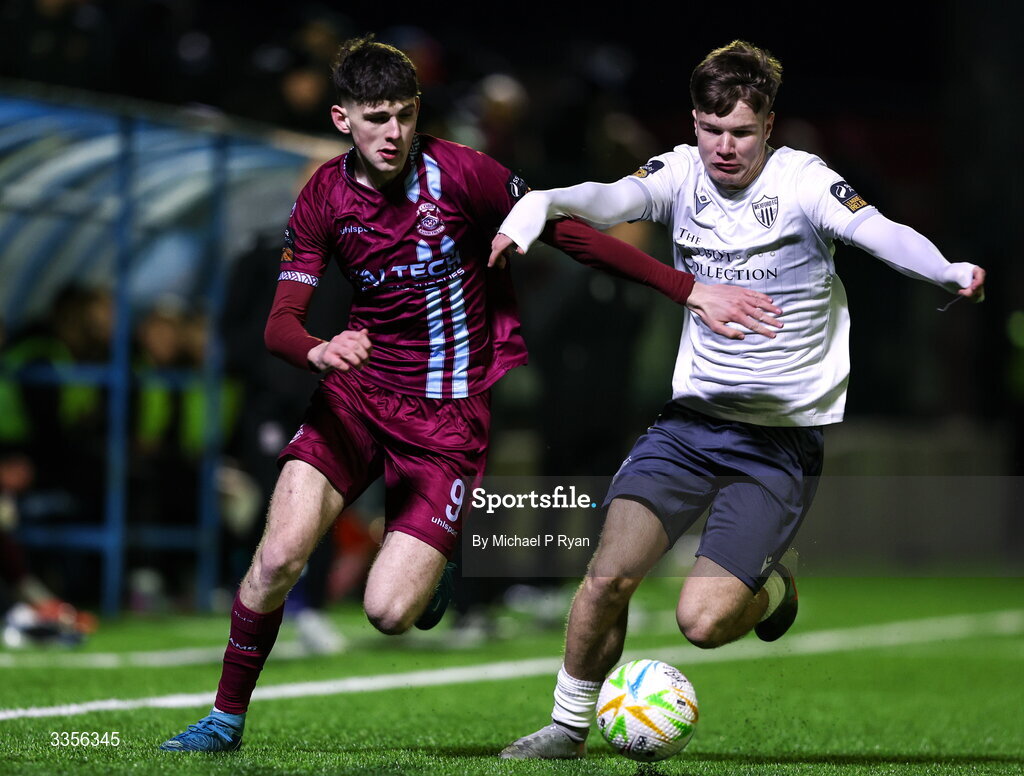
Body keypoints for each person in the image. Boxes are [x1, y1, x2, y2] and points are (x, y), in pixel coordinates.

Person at [158, 35, 776, 753]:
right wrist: (318, 349)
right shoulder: (323, 195)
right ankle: (225, 720)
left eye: (403, 116)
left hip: (446, 422)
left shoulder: (463, 176)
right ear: (341, 120)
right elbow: (278, 325)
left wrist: (688, 287)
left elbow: (565, 232)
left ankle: (439, 559)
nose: (392, 134)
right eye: (375, 118)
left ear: (418, 112)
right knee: (276, 558)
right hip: (354, 399)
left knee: (388, 615)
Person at [492, 39, 986, 759]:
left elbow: (878, 230)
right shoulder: (679, 172)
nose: (724, 146)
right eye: (711, 128)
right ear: (694, 121)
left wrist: (945, 270)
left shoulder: (804, 182)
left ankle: (769, 591)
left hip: (778, 444)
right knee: (607, 575)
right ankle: (567, 729)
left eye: (741, 132)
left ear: (769, 126)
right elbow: (610, 199)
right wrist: (545, 200)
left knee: (703, 623)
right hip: (688, 426)